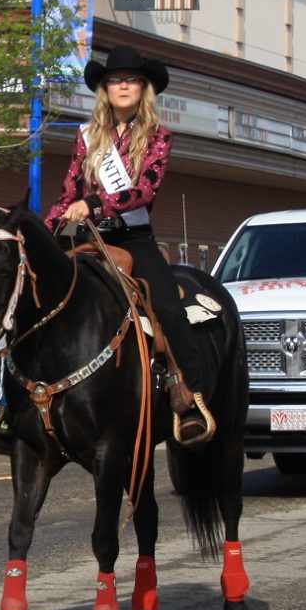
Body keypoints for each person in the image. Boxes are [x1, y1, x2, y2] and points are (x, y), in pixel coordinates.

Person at [46, 44, 212, 442]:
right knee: (43, 300)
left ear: (143, 88)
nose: (122, 86)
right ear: (105, 89)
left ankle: (189, 396)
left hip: (134, 239)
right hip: (90, 239)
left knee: (170, 310)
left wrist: (94, 202)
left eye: (131, 80)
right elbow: (68, 191)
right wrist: (42, 229)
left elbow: (144, 192)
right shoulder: (87, 138)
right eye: (115, 80)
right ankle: (25, 400)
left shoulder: (157, 136)